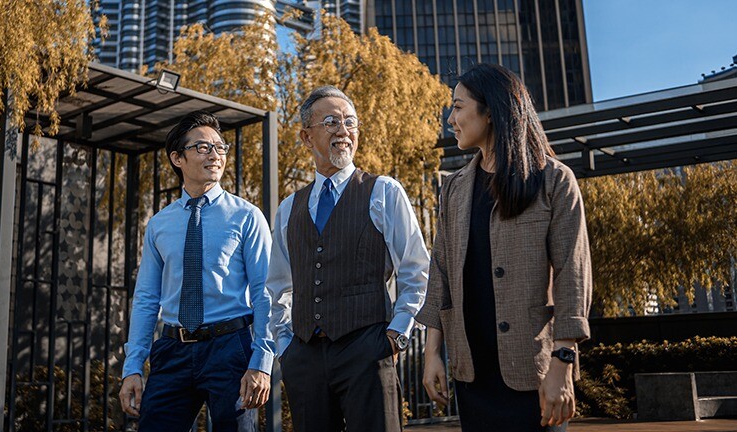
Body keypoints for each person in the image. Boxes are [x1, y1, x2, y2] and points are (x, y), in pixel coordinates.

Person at [417, 63, 592, 431]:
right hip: (472, 375)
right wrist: (432, 352)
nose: (450, 118)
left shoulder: (554, 181)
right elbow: (441, 272)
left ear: (492, 112)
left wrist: (563, 360)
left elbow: (572, 276)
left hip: (535, 372)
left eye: (458, 106)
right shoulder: (454, 188)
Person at [267, 85, 430, 432]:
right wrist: (285, 347)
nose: (344, 130)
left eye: (350, 122)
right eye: (331, 122)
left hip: (368, 351)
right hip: (304, 357)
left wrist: (396, 335)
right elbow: (278, 288)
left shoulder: (383, 191)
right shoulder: (288, 209)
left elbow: (416, 271)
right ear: (307, 137)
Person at [119, 111, 275, 431]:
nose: (215, 154)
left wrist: (262, 362)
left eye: (220, 147)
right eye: (203, 147)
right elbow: (147, 298)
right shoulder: (160, 224)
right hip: (171, 350)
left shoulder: (247, 217)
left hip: (231, 347)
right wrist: (132, 367)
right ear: (178, 158)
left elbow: (266, 292)